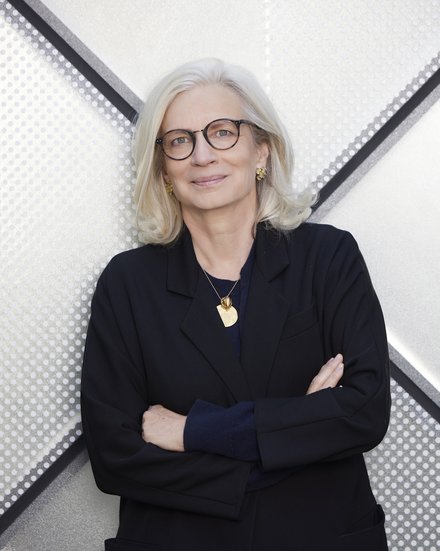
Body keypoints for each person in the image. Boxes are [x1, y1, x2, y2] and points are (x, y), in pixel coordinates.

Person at [81, 58, 390, 551]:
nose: (203, 155)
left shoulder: (329, 257)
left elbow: (363, 412)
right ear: (163, 167)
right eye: (179, 140)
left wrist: (193, 431)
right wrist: (298, 432)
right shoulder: (128, 283)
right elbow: (115, 456)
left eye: (222, 132)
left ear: (261, 149)